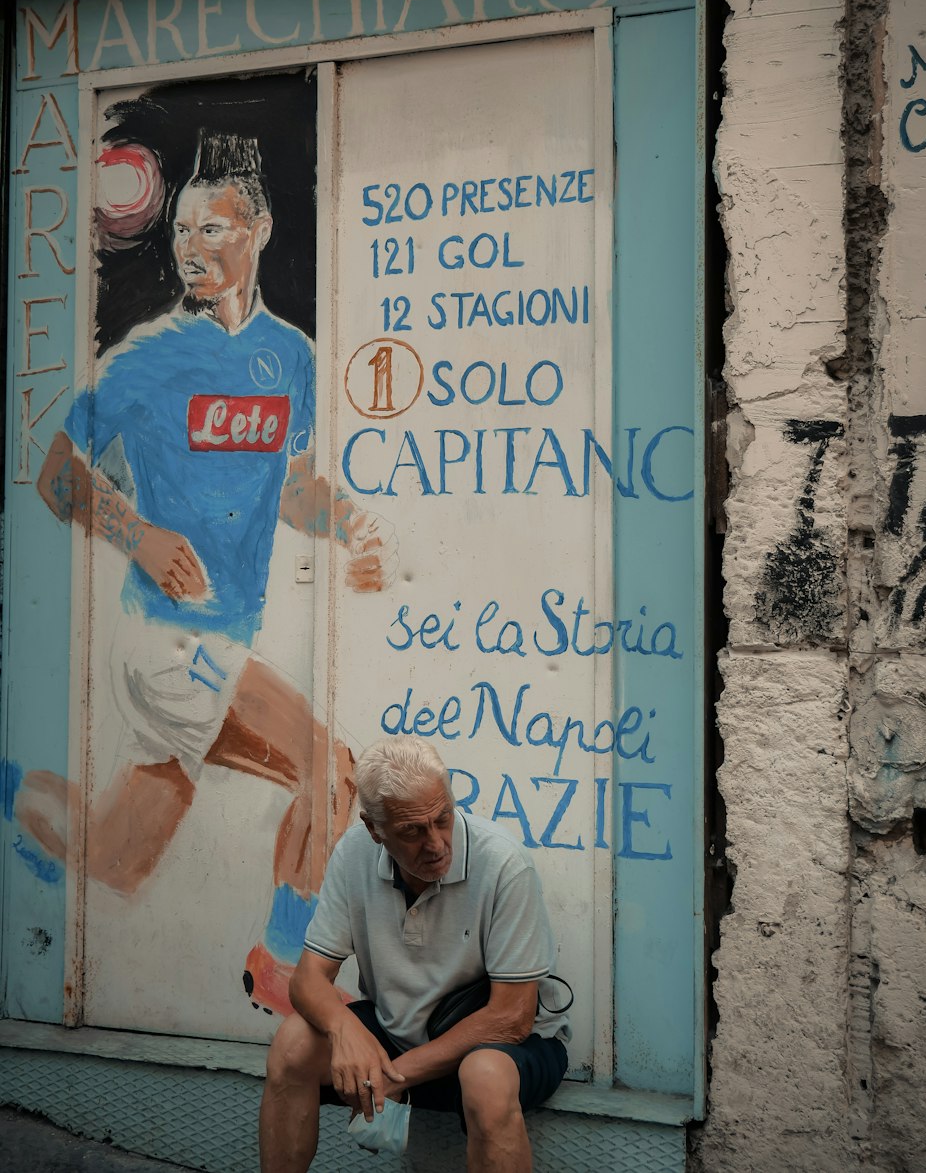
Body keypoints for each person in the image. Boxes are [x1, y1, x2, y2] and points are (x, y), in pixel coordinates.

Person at [14, 132, 397, 1015]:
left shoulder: (292, 358)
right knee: (329, 766)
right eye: (180, 229)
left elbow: (293, 491)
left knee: (114, 855)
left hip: (219, 641)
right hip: (166, 639)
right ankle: (282, 970)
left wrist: (352, 528)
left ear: (256, 229)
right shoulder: (147, 355)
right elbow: (58, 471)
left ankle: (13, 792)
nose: (190, 245)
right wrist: (139, 533)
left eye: (211, 227)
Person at [259, 739, 570, 1173]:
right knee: (292, 1044)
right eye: (412, 831)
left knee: (485, 1078)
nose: (437, 843)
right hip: (399, 1033)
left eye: (442, 819)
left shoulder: (503, 865)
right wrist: (344, 1028)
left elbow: (512, 1017)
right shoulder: (354, 854)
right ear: (375, 830)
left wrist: (392, 1076)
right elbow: (308, 980)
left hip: (500, 1046)